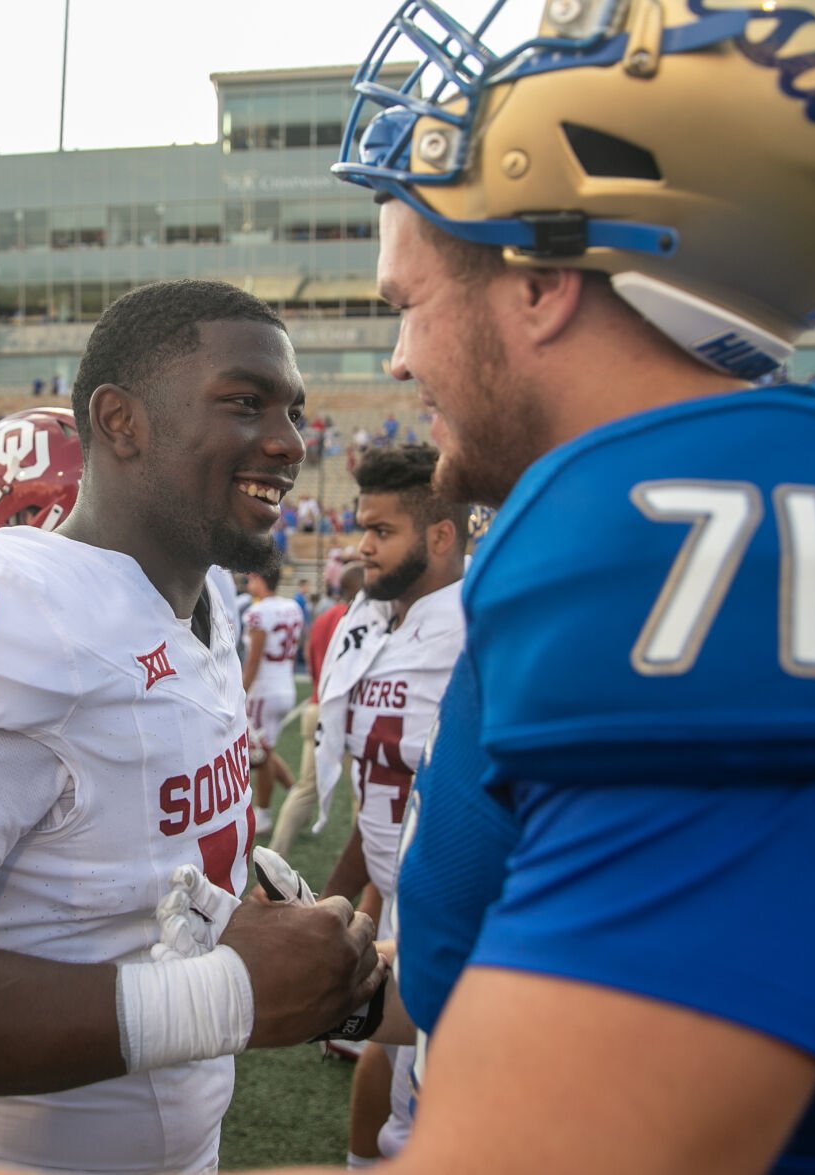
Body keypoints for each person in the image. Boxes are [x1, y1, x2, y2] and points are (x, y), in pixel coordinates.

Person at [322, 0, 815, 1170]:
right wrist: (317, 985)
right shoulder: (708, 498)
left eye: (407, 304)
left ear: (542, 279)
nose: (399, 359)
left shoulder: (701, 530)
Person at [0, 280, 380, 1173]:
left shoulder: (205, 593)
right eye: (245, 402)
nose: (289, 440)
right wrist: (221, 997)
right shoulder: (21, 614)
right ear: (120, 421)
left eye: (293, 409)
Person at [308, 444, 467, 1162]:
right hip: (402, 896)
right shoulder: (374, 621)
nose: (361, 546)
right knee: (389, 1071)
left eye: (382, 531)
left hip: (455, 908)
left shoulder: (472, 630)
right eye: (362, 527)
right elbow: (381, 789)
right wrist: (331, 901)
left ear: (441, 535)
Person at [268, 560, 362, 858]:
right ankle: (370, 871)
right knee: (361, 796)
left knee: (306, 787)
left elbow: (311, 660)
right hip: (350, 712)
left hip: (318, 706)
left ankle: (274, 855)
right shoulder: (361, 619)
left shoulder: (323, 620)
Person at [240, 566, 303, 833]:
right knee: (267, 750)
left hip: (263, 691)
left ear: (260, 578)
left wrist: (240, 692)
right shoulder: (292, 606)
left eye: (252, 575)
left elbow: (253, 660)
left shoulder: (257, 612)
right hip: (285, 686)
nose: (248, 579)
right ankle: (297, 796)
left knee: (260, 756)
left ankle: (263, 814)